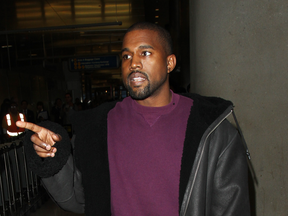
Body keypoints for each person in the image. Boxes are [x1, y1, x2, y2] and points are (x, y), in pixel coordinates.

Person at [16, 22, 250, 216]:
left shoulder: (212, 130)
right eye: (126, 56)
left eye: (145, 53)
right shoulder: (99, 127)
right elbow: (79, 199)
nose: (133, 63)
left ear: (170, 63)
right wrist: (52, 154)